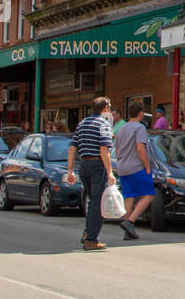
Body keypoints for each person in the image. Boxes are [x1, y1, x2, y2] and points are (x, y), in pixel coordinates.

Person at [66, 96, 116, 250]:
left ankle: (88, 232)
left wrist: (70, 170)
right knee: (98, 203)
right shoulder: (104, 124)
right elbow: (104, 149)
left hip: (84, 165)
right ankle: (91, 239)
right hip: (97, 166)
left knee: (92, 201)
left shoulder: (82, 123)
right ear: (106, 108)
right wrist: (110, 172)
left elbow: (73, 148)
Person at [114, 103, 154, 239]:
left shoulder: (121, 129)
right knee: (148, 194)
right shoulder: (140, 128)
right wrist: (147, 165)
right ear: (141, 113)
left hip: (122, 167)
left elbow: (117, 150)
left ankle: (127, 230)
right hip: (136, 166)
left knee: (129, 197)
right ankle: (130, 222)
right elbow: (140, 148)